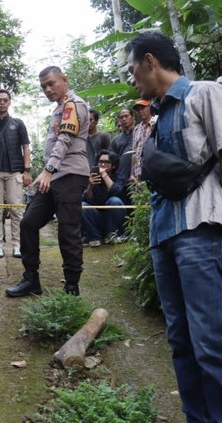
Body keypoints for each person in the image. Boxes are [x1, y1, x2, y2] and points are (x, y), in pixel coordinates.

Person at [127, 30, 222, 422]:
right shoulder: (158, 113)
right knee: (180, 341)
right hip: (164, 234)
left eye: (133, 69)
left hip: (200, 231)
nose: (132, 78)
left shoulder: (205, 94)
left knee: (211, 343)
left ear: (150, 61)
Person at [5, 66, 89, 298]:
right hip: (53, 175)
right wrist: (45, 173)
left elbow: (65, 139)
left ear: (64, 80)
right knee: (28, 223)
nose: (48, 89)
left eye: (51, 84)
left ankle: (72, 285)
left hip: (70, 174)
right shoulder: (59, 109)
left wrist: (48, 170)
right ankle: (31, 279)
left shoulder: (74, 104)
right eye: (44, 86)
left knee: (68, 229)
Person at [0, 89, 31, 259]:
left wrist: (27, 170)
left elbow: (25, 147)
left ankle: (17, 245)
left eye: (5, 100)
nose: (2, 103)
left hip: (14, 172)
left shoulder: (18, 123)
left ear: (10, 102)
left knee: (16, 209)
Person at [82, 149, 127, 247]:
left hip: (113, 219)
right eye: (100, 162)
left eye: (106, 162)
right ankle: (94, 238)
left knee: (115, 201)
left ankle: (112, 236)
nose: (102, 165)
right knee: (83, 206)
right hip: (97, 217)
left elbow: (117, 192)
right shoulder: (92, 177)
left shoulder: (119, 177)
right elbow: (86, 200)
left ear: (113, 166)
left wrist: (104, 175)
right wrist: (90, 187)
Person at [130, 99, 156, 182]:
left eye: (143, 108)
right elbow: (134, 153)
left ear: (149, 107)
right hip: (138, 173)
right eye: (138, 110)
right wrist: (132, 174)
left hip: (153, 170)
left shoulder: (156, 123)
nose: (140, 111)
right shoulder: (137, 129)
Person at [109, 107, 135, 187]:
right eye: (121, 117)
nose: (124, 119)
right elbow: (112, 161)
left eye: (126, 116)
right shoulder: (115, 140)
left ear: (132, 117)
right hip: (120, 179)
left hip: (137, 176)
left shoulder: (140, 134)